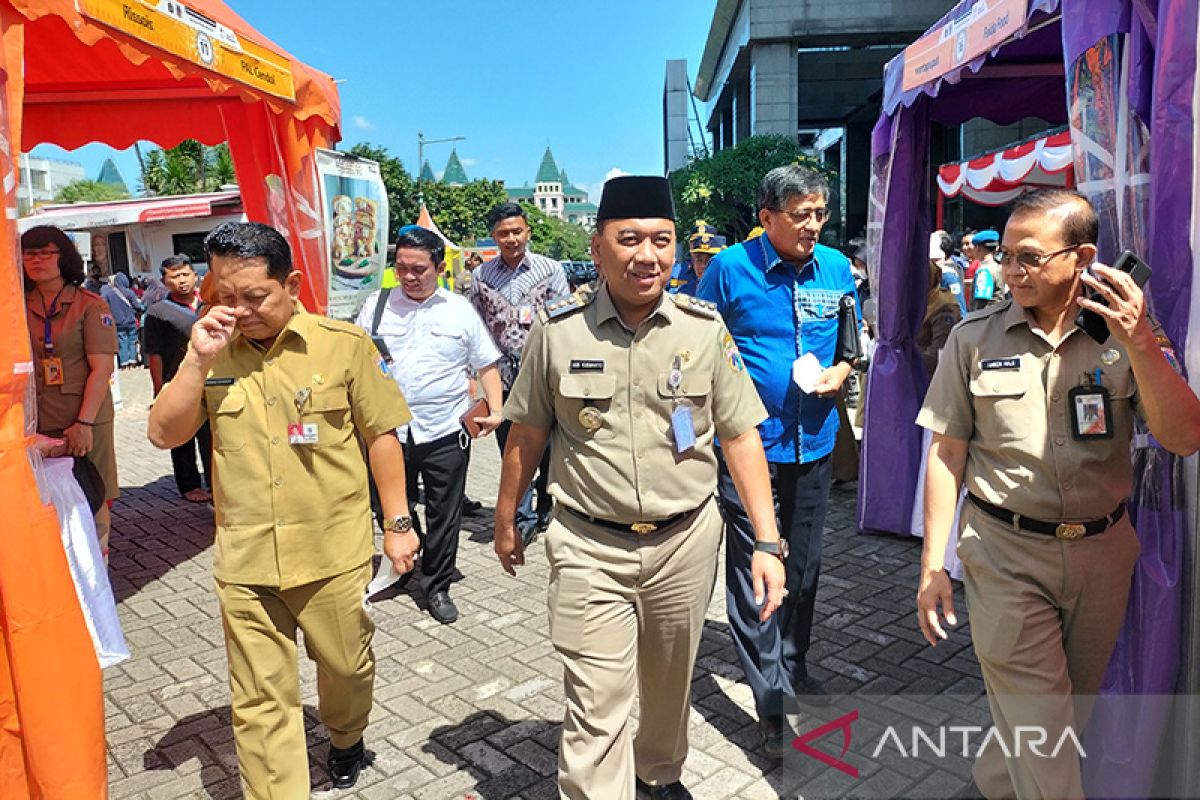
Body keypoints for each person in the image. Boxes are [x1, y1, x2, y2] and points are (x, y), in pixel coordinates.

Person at [494, 176, 785, 800]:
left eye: (661, 240)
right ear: (597, 249)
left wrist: (767, 541)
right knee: (596, 701)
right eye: (628, 240)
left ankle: (658, 772)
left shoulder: (703, 330)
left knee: (668, 680)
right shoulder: (559, 332)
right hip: (588, 546)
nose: (646, 255)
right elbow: (527, 434)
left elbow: (739, 437)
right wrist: (504, 518)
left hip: (685, 542)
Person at [916, 189, 1200, 799]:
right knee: (1045, 731)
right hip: (1005, 554)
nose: (1010, 270)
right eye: (1004, 255)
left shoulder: (1127, 334)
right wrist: (933, 562)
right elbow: (946, 453)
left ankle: (991, 786)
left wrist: (1142, 342)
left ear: (1082, 256)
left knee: (1063, 715)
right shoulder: (973, 339)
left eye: (1029, 257)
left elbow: (1182, 437)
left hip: (1102, 554)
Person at [147, 222, 420, 796]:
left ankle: (346, 736)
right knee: (260, 702)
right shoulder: (210, 351)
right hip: (246, 561)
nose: (239, 310)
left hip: (332, 554)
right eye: (224, 296)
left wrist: (397, 524)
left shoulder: (342, 345)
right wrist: (196, 361)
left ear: (291, 284)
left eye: (255, 296)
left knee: (346, 669)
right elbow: (164, 434)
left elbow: (381, 435)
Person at [696, 164, 859, 755]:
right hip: (747, 450)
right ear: (767, 218)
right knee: (757, 573)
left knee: (806, 569)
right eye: (801, 216)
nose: (813, 225)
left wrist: (840, 372)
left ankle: (793, 663)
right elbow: (697, 346)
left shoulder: (838, 268)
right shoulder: (728, 270)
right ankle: (770, 700)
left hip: (813, 442)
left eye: (820, 214)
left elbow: (850, 341)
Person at [355, 226, 504, 625]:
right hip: (388, 433)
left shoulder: (458, 310)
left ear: (438, 267)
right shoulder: (377, 306)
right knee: (389, 504)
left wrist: (497, 407)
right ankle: (407, 560)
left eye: (418, 268)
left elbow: (487, 363)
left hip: (444, 430)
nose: (408, 276)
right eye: (401, 267)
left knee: (445, 511)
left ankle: (437, 585)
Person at [471, 201, 570, 544]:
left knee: (547, 445)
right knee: (510, 444)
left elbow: (564, 319)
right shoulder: (481, 276)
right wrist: (475, 371)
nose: (511, 238)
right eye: (503, 233)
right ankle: (523, 514)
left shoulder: (550, 269)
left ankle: (545, 498)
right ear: (494, 236)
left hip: (543, 372)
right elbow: (476, 325)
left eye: (516, 231)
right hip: (502, 377)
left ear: (527, 231)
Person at [22, 225, 119, 558]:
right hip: (37, 421)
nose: (36, 260)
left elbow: (101, 367)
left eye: (45, 252)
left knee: (93, 495)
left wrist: (84, 423)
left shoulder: (89, 305)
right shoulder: (15, 307)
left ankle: (98, 582)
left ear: (63, 257)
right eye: (29, 253)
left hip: (85, 418)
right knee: (46, 501)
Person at [143, 255, 211, 503]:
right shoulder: (158, 313)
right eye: (174, 276)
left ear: (195, 276)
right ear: (164, 281)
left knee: (212, 435)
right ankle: (189, 484)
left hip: (212, 381)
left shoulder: (210, 305)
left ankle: (215, 482)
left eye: (185, 274)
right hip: (177, 380)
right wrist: (159, 389)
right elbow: (154, 354)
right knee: (182, 435)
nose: (182, 281)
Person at [668, 220, 725, 295]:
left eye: (708, 260)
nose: (703, 265)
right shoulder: (674, 271)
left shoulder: (722, 277)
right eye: (699, 259)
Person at [101, 272, 142, 367]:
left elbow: (103, 306)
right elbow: (137, 306)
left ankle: (124, 362)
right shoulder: (130, 293)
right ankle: (133, 361)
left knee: (122, 341)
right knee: (132, 341)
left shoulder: (108, 293)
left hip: (118, 322)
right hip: (131, 321)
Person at [969, 229, 1003, 311]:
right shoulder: (999, 266)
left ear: (978, 248)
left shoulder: (984, 271)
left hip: (987, 317)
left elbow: (981, 302)